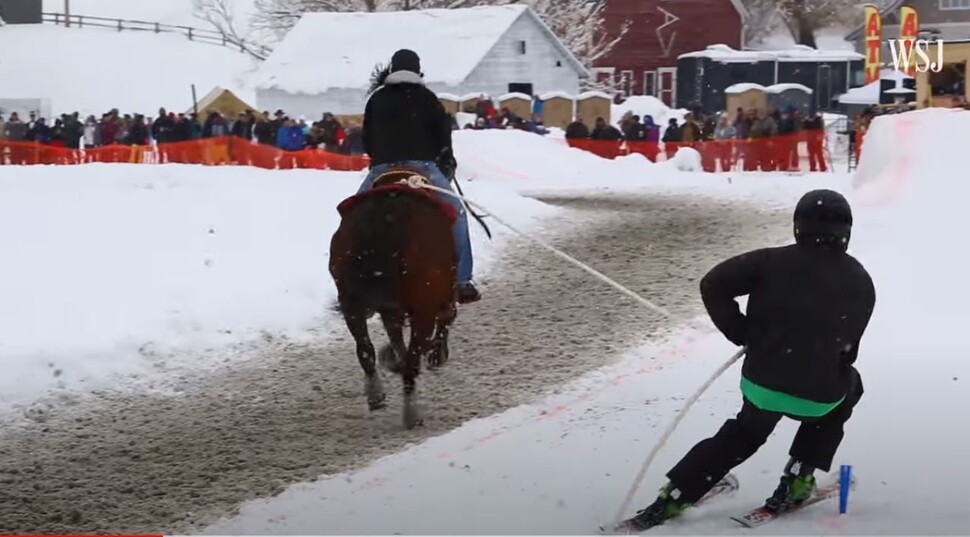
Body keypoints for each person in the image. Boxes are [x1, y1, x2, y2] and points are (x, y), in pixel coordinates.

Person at [615, 189, 876, 533]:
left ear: (797, 226)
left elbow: (713, 284)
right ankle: (798, 481)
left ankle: (676, 494)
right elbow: (848, 350)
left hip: (762, 383)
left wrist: (743, 332)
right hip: (819, 395)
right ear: (847, 232)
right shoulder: (862, 281)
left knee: (746, 432)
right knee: (848, 390)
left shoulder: (769, 261)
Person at [357, 48, 481, 304]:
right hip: (423, 168)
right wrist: (446, 163)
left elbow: (367, 141)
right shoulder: (428, 99)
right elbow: (443, 140)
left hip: (382, 169)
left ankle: (355, 283)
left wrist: (382, 156)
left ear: (392, 70)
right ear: (417, 70)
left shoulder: (376, 100)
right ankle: (462, 280)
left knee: (353, 217)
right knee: (457, 214)